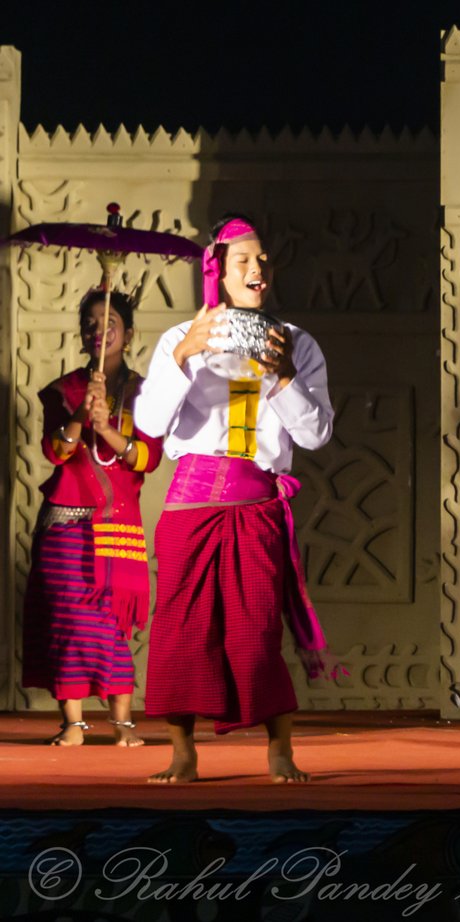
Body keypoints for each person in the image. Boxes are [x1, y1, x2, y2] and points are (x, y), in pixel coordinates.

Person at [133, 216, 338, 784]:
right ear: (217, 271)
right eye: (244, 261)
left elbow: (316, 434)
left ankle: (278, 751)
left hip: (256, 502)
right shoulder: (181, 338)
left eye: (264, 260)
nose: (257, 270)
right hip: (190, 504)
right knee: (181, 630)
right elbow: (148, 423)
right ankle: (182, 751)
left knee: (255, 630)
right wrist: (182, 359)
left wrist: (281, 378)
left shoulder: (295, 342)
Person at [22, 290, 163, 746]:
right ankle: (74, 724)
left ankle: (123, 726)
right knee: (67, 622)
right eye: (90, 321)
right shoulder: (64, 391)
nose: (99, 329)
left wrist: (106, 428)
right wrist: (83, 416)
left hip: (117, 525)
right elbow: (57, 451)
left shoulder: (145, 393)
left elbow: (146, 458)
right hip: (66, 523)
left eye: (110, 321)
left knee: (110, 623)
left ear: (128, 333)